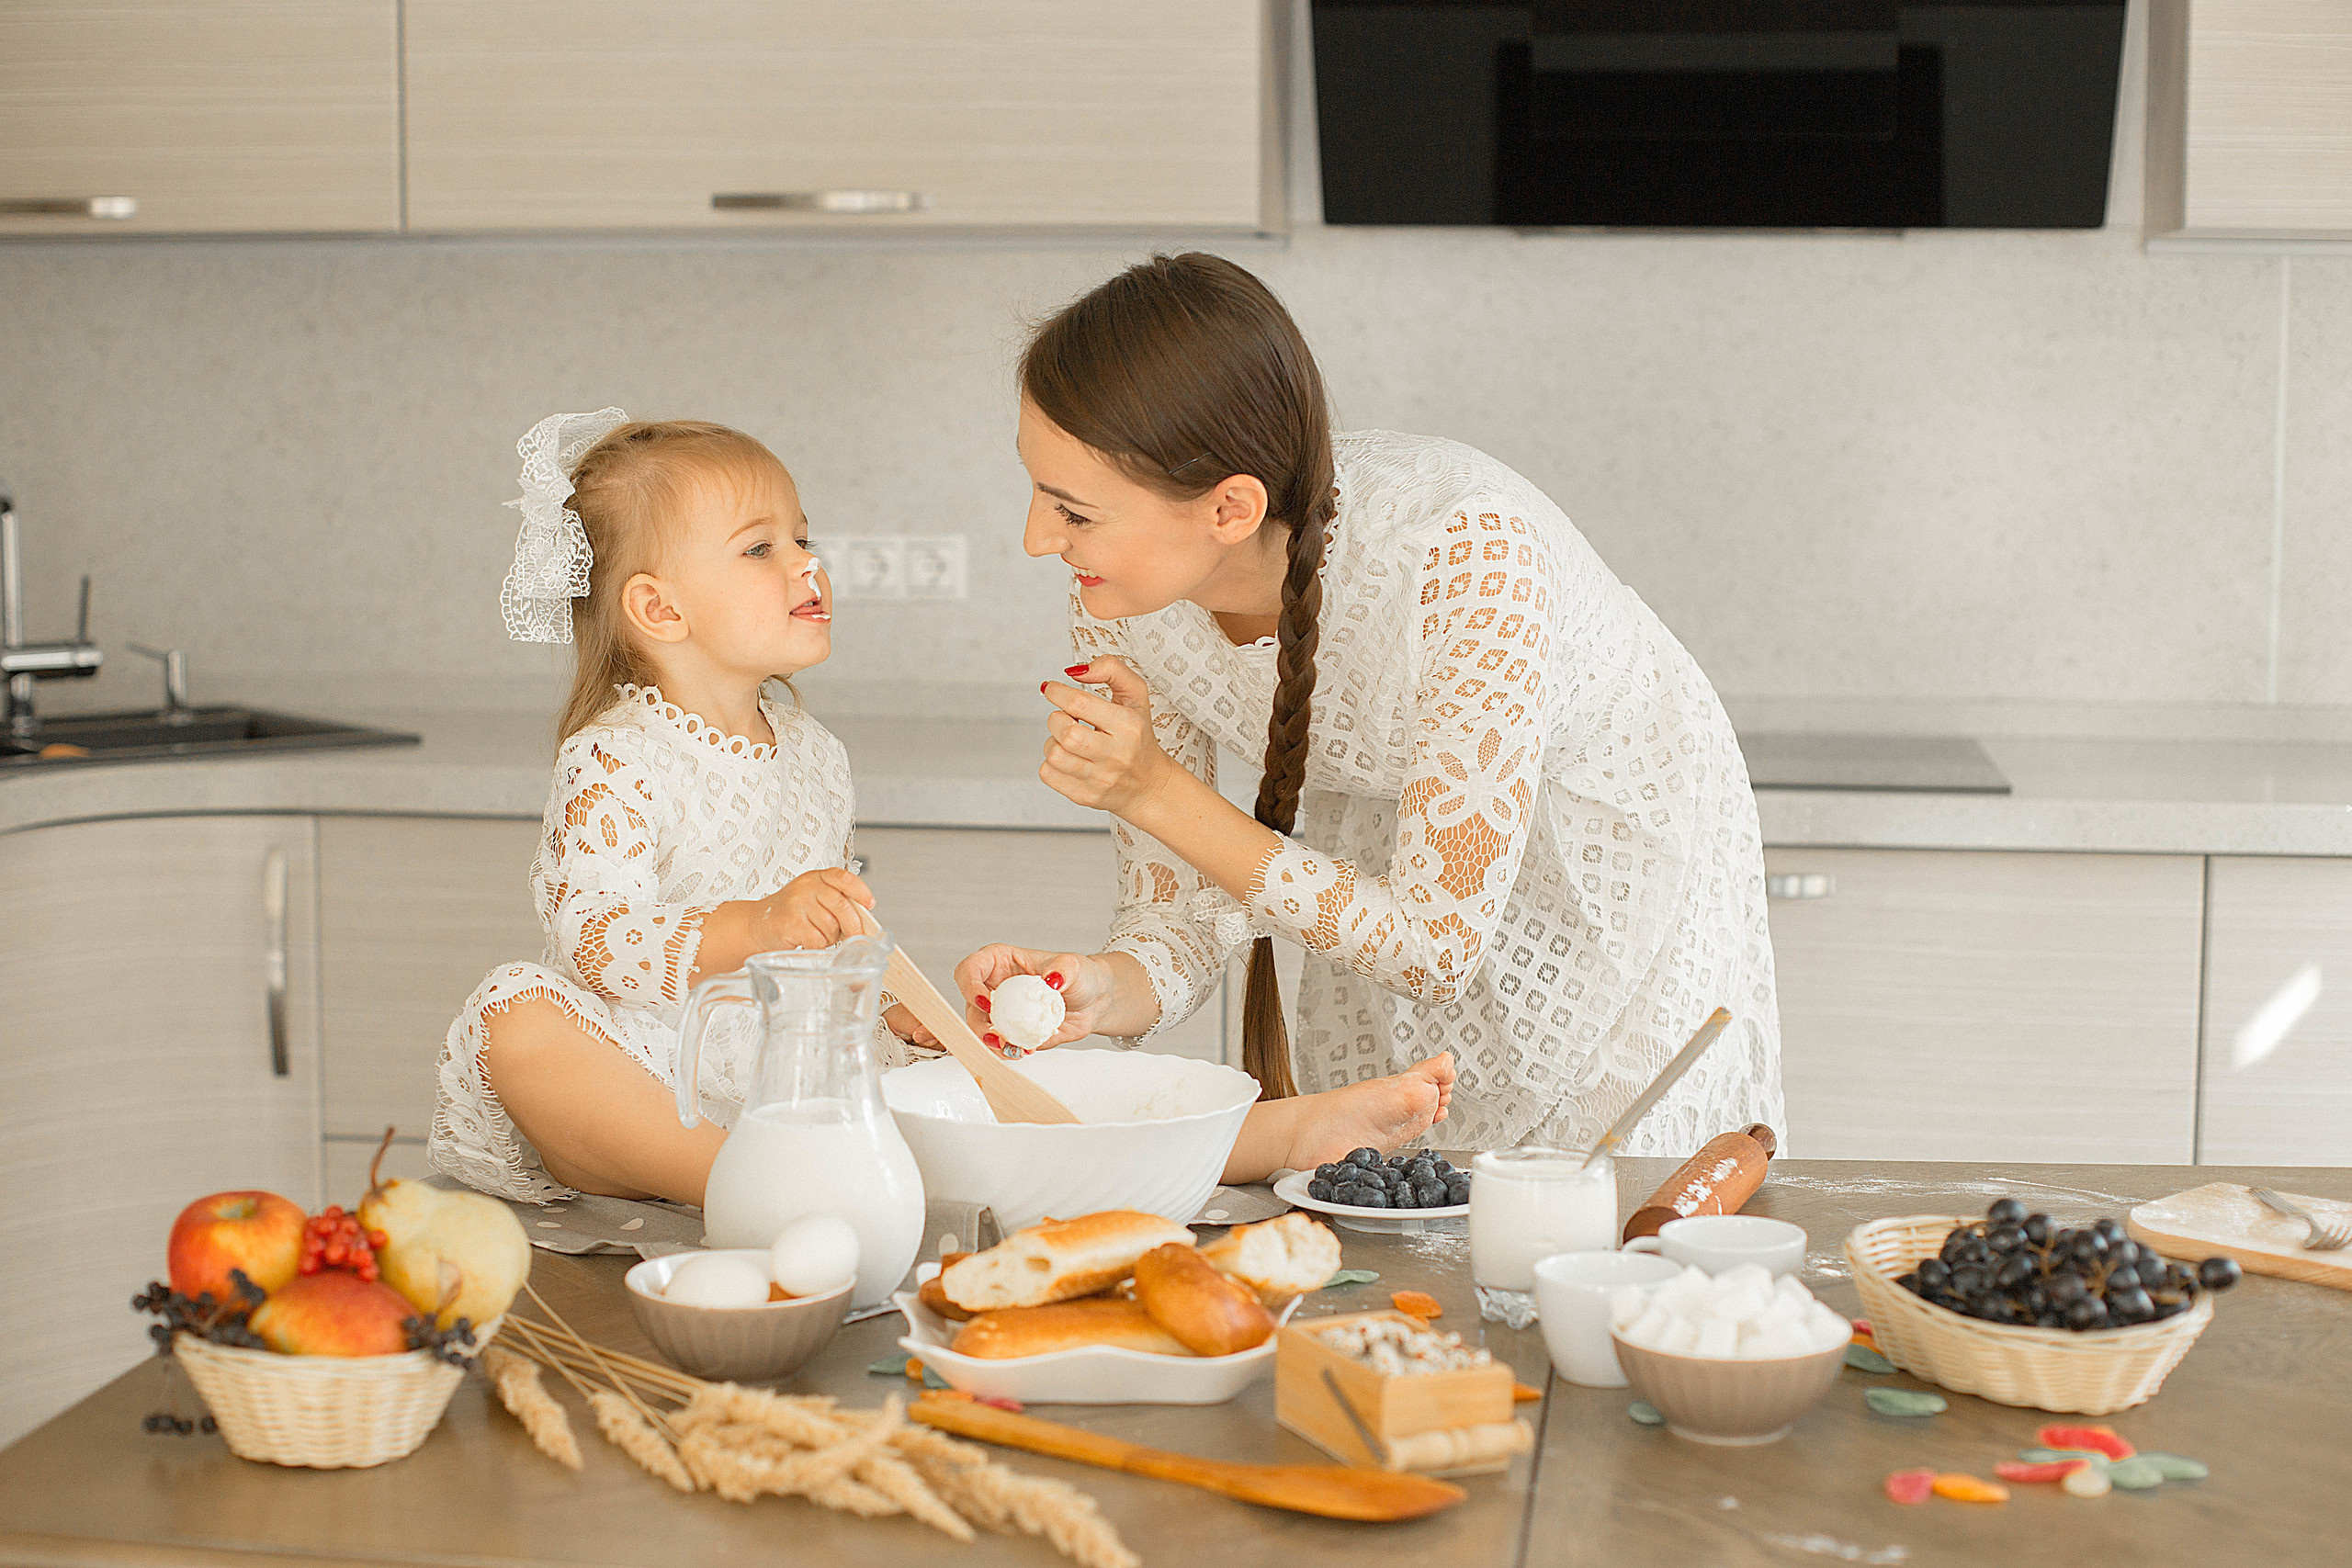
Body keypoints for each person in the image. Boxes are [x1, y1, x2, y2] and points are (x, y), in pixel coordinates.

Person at [429, 410, 1455, 1207]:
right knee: (517, 1021)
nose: (807, 564)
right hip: (653, 1072)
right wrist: (759, 927)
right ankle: (754, 1183)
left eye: (803, 536)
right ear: (657, 608)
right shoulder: (616, 755)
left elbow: (828, 951)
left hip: (795, 1070)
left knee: (983, 1098)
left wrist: (899, 1011)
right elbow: (596, 940)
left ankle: (1276, 1136)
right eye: (760, 549)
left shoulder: (815, 756)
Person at [956, 254, 1784, 1156]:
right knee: (1401, 1178)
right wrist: (1100, 989)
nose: (1037, 539)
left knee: (1592, 1198)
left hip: (1606, 847)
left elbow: (1434, 944)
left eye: (1072, 510)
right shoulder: (1123, 591)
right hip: (1386, 858)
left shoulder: (1464, 555)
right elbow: (1183, 910)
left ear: (1229, 509)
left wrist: (1151, 790)